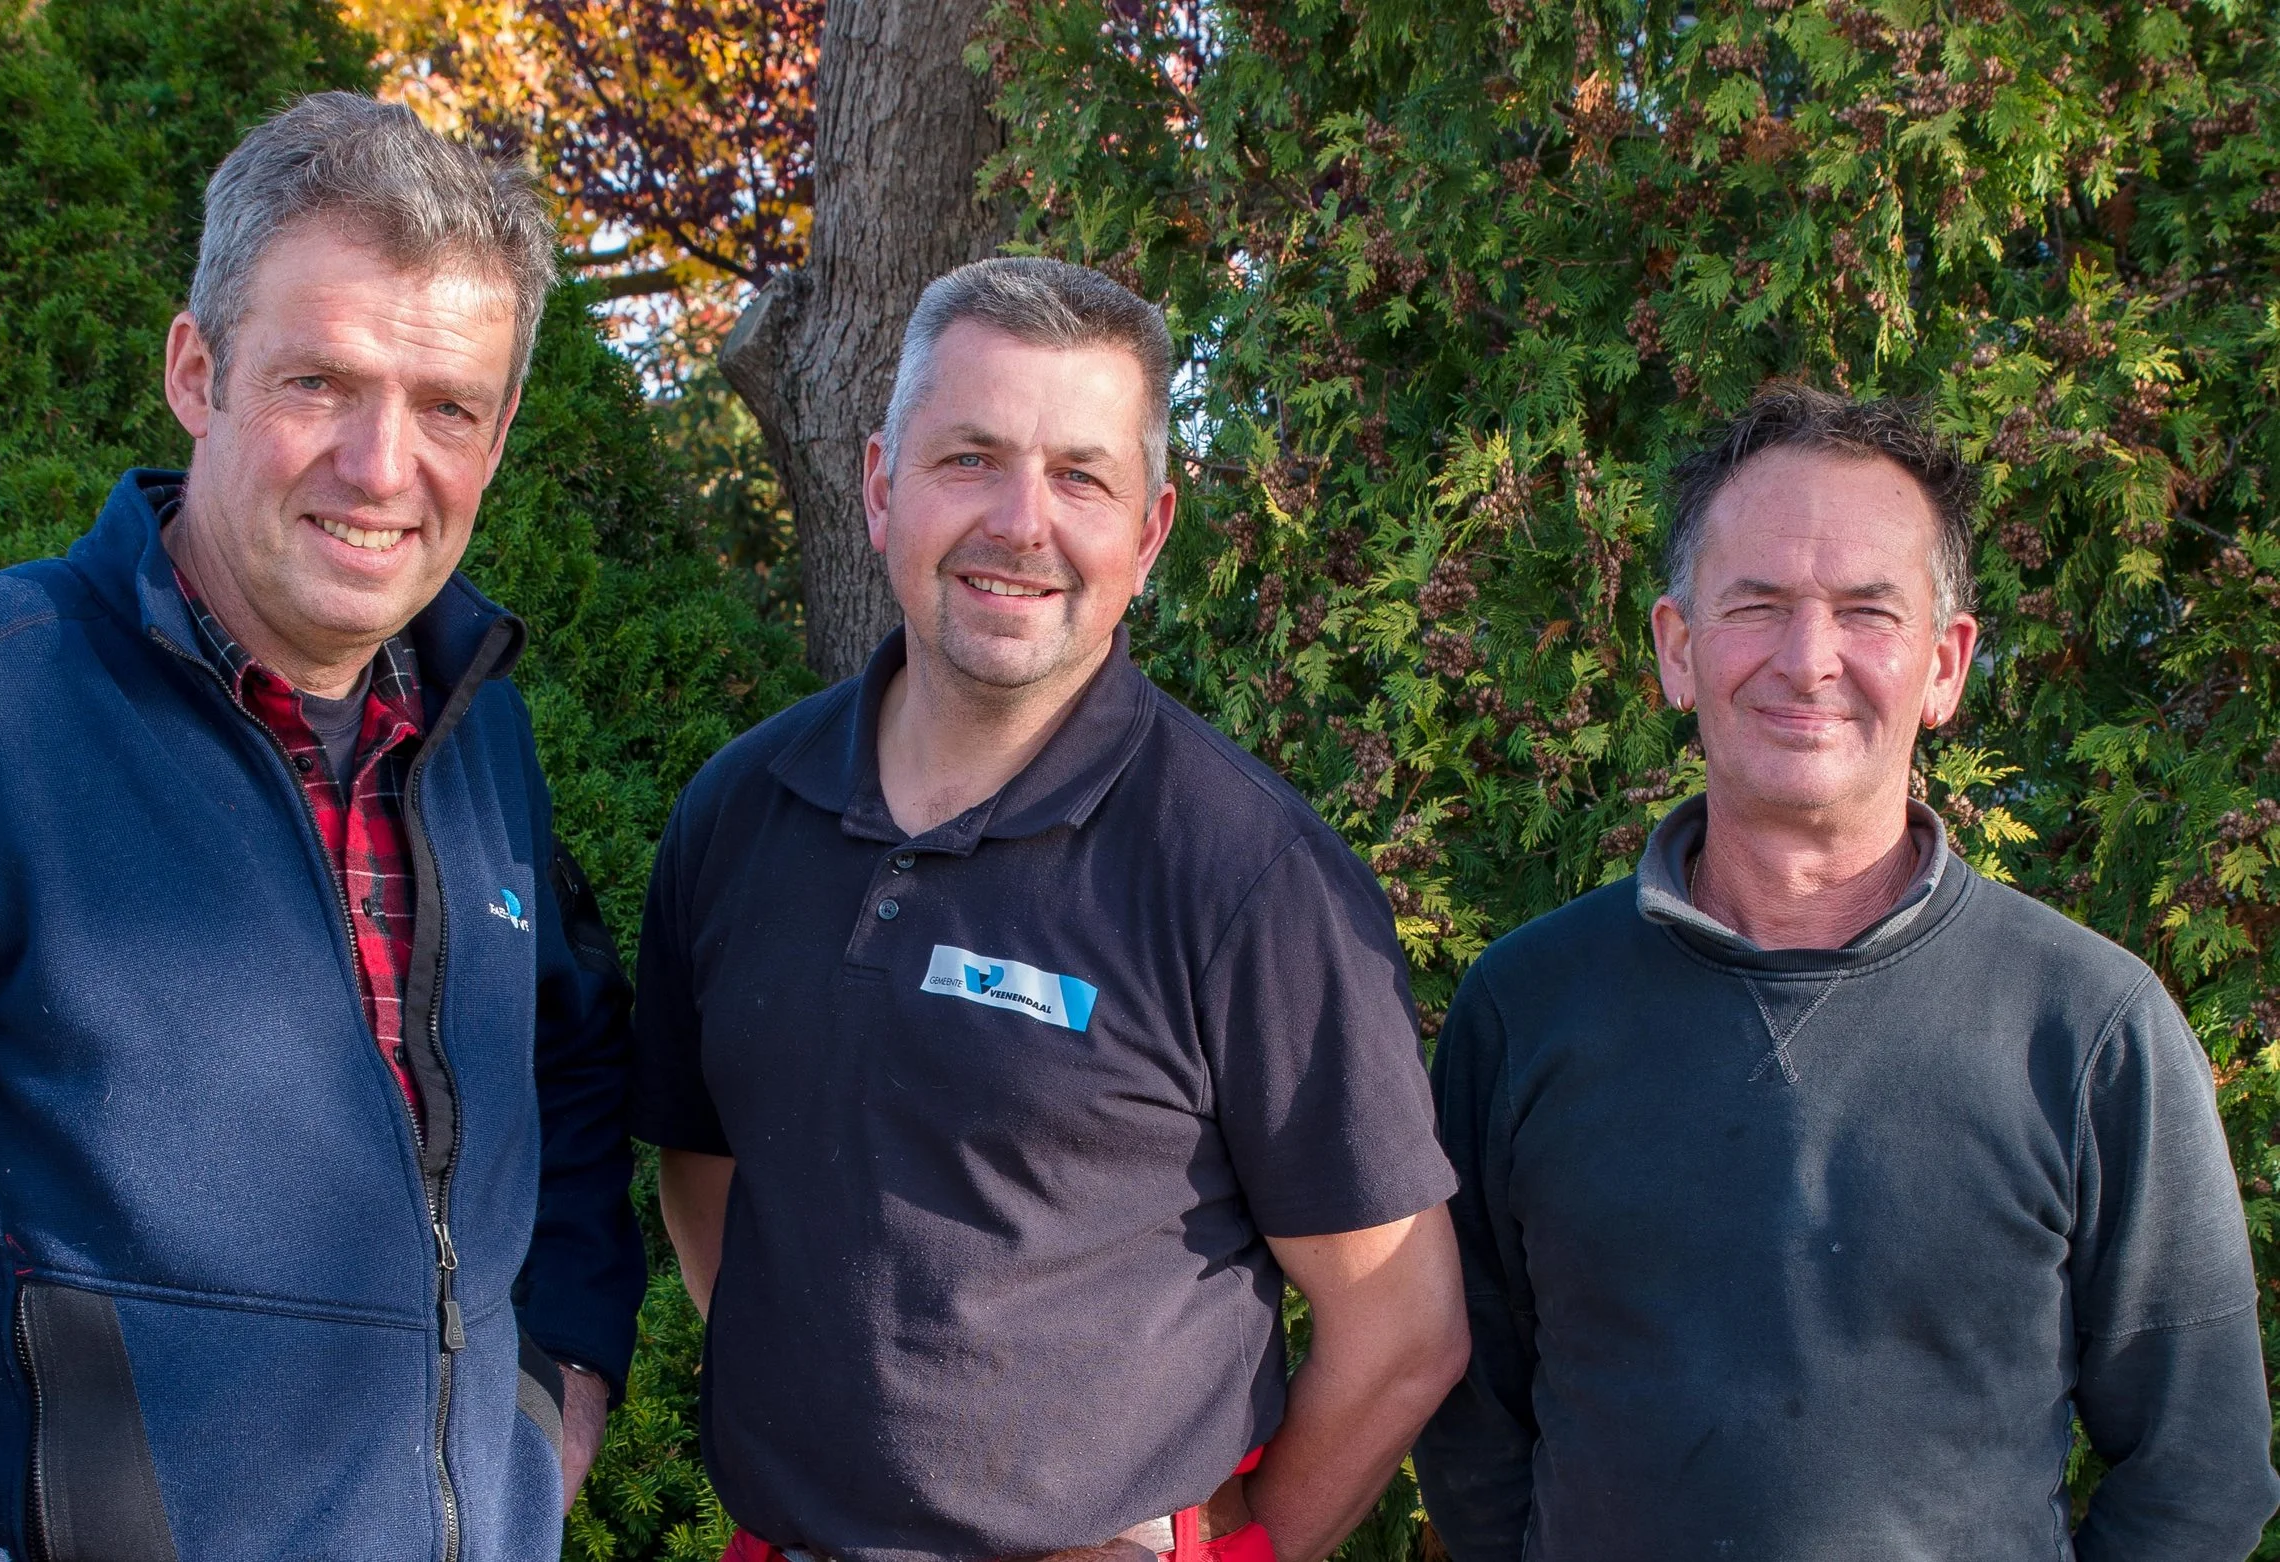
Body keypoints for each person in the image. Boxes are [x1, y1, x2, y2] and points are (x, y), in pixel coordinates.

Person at [0, 94, 643, 1561]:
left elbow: (566, 1069)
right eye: (321, 382)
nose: (382, 464)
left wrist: (552, 1385)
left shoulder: (474, 736)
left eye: (447, 406)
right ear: (198, 371)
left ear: (498, 433)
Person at [630, 257, 1468, 1562]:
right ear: (879, 486)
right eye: (971, 458)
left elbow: (1403, 1326)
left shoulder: (1246, 876)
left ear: (1150, 531)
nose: (1023, 523)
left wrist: (1237, 1554)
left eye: (1081, 476)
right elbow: (707, 1168)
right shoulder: (739, 813)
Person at [1414, 384, 2280, 1561]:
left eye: (1867, 610)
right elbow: (1471, 1419)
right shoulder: (1524, 1009)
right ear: (1677, 648)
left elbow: (2199, 1469)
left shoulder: (2087, 1029)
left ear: (1944, 663)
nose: (1808, 659)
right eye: (1756, 604)